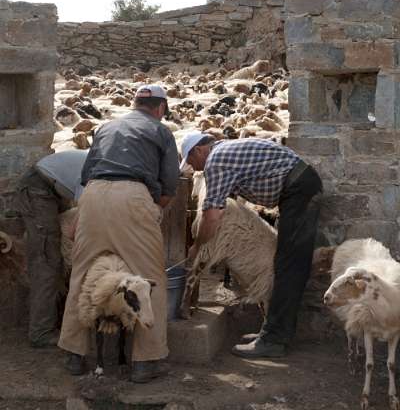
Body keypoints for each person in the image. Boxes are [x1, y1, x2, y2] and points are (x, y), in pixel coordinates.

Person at [58, 84, 180, 382]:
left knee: (82, 274)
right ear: (160, 108)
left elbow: (86, 176)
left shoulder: (106, 125)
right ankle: (145, 360)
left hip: (94, 196)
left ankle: (74, 355)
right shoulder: (161, 131)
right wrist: (152, 211)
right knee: (149, 278)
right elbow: (170, 184)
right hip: (133, 195)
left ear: (135, 103)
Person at [179, 131, 323, 359]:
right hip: (298, 186)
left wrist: (197, 246)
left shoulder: (215, 161)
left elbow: (213, 214)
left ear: (198, 150)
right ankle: (272, 333)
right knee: (287, 262)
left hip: (298, 190)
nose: (193, 168)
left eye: (190, 160)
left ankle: (273, 340)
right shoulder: (225, 149)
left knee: (288, 265)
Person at [15, 150, 89, 348]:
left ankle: (55, 320)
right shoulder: (97, 172)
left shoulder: (106, 168)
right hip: (38, 188)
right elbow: (78, 227)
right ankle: (41, 331)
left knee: (58, 260)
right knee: (47, 260)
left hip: (54, 189)